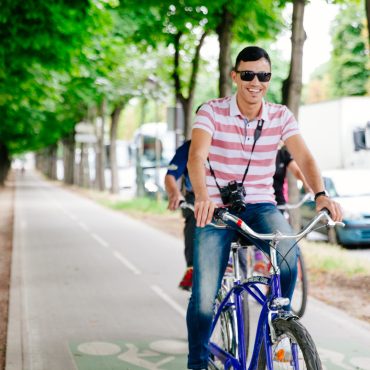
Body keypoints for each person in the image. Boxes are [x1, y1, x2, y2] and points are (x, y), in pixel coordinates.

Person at [186, 46, 342, 370]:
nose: (255, 82)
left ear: (269, 79)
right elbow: (197, 156)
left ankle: (278, 323)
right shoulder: (211, 112)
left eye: (263, 75)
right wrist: (202, 196)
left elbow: (306, 158)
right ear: (235, 76)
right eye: (248, 74)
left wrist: (321, 193)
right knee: (203, 298)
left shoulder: (280, 115)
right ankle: (197, 362)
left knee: (288, 254)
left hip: (259, 204)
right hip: (214, 209)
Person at [164, 140, 195, 290]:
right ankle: (192, 268)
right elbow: (171, 175)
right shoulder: (188, 147)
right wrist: (175, 194)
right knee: (193, 223)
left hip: (226, 199)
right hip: (195, 199)